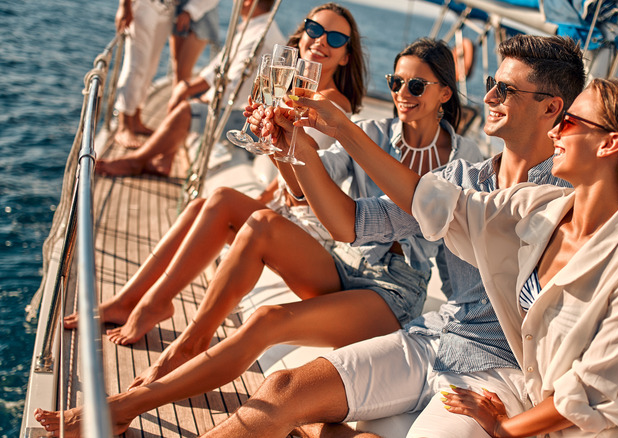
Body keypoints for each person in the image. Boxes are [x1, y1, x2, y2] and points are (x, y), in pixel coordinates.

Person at [33, 37, 481, 437]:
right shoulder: (373, 132)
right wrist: (283, 144)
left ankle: (120, 407)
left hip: (394, 294)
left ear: (444, 92)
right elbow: (302, 193)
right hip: (346, 261)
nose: (402, 95)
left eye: (415, 86)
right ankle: (190, 342)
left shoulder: (465, 162)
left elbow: (429, 223)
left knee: (267, 320)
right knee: (262, 223)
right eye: (396, 82)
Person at [194, 34, 587, 438]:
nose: (488, 98)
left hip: (495, 371)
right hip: (436, 335)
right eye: (491, 84)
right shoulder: (463, 178)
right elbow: (350, 224)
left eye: (505, 90)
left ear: (551, 107)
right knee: (284, 388)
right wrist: (295, 146)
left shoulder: (567, 202)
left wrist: (344, 129)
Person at [62, 2, 366, 344]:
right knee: (199, 207)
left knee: (221, 200)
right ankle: (127, 299)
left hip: (313, 231)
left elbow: (305, 188)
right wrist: (268, 167)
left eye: (336, 37)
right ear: (301, 37)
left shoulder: (331, 108)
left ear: (345, 56)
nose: (321, 40)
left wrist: (277, 147)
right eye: (314, 30)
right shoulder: (295, 94)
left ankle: (153, 305)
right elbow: (285, 180)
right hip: (289, 212)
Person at [416, 78, 618, 436]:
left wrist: (504, 428)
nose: (553, 132)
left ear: (610, 143)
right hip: (541, 410)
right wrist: (344, 130)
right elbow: (442, 204)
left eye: (569, 122)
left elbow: (590, 392)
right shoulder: (548, 209)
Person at [96, 0, 285, 176]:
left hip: (243, 114)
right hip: (239, 101)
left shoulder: (258, 36)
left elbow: (234, 88)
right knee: (181, 90)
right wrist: (186, 87)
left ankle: (136, 161)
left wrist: (199, 96)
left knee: (185, 110)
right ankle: (165, 159)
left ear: (248, 2)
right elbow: (220, 66)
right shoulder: (257, 27)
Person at [113, 0, 175, 149]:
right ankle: (123, 126)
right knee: (137, 66)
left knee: (151, 66)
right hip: (145, 6)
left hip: (168, 8)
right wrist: (124, 6)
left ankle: (136, 120)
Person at [170, 0, 221, 84]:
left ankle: (180, 96)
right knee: (177, 68)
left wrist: (189, 11)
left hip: (202, 12)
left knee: (183, 70)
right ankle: (176, 96)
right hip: (179, 8)